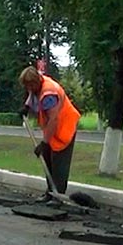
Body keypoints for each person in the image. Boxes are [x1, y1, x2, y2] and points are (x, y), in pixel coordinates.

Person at [19, 66, 80, 200]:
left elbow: (54, 120)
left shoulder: (49, 94)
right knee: (47, 160)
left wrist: (44, 143)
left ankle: (58, 197)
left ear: (36, 82)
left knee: (59, 163)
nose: (28, 89)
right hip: (52, 130)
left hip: (64, 128)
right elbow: (32, 94)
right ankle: (50, 193)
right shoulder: (39, 83)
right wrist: (26, 107)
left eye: (29, 86)